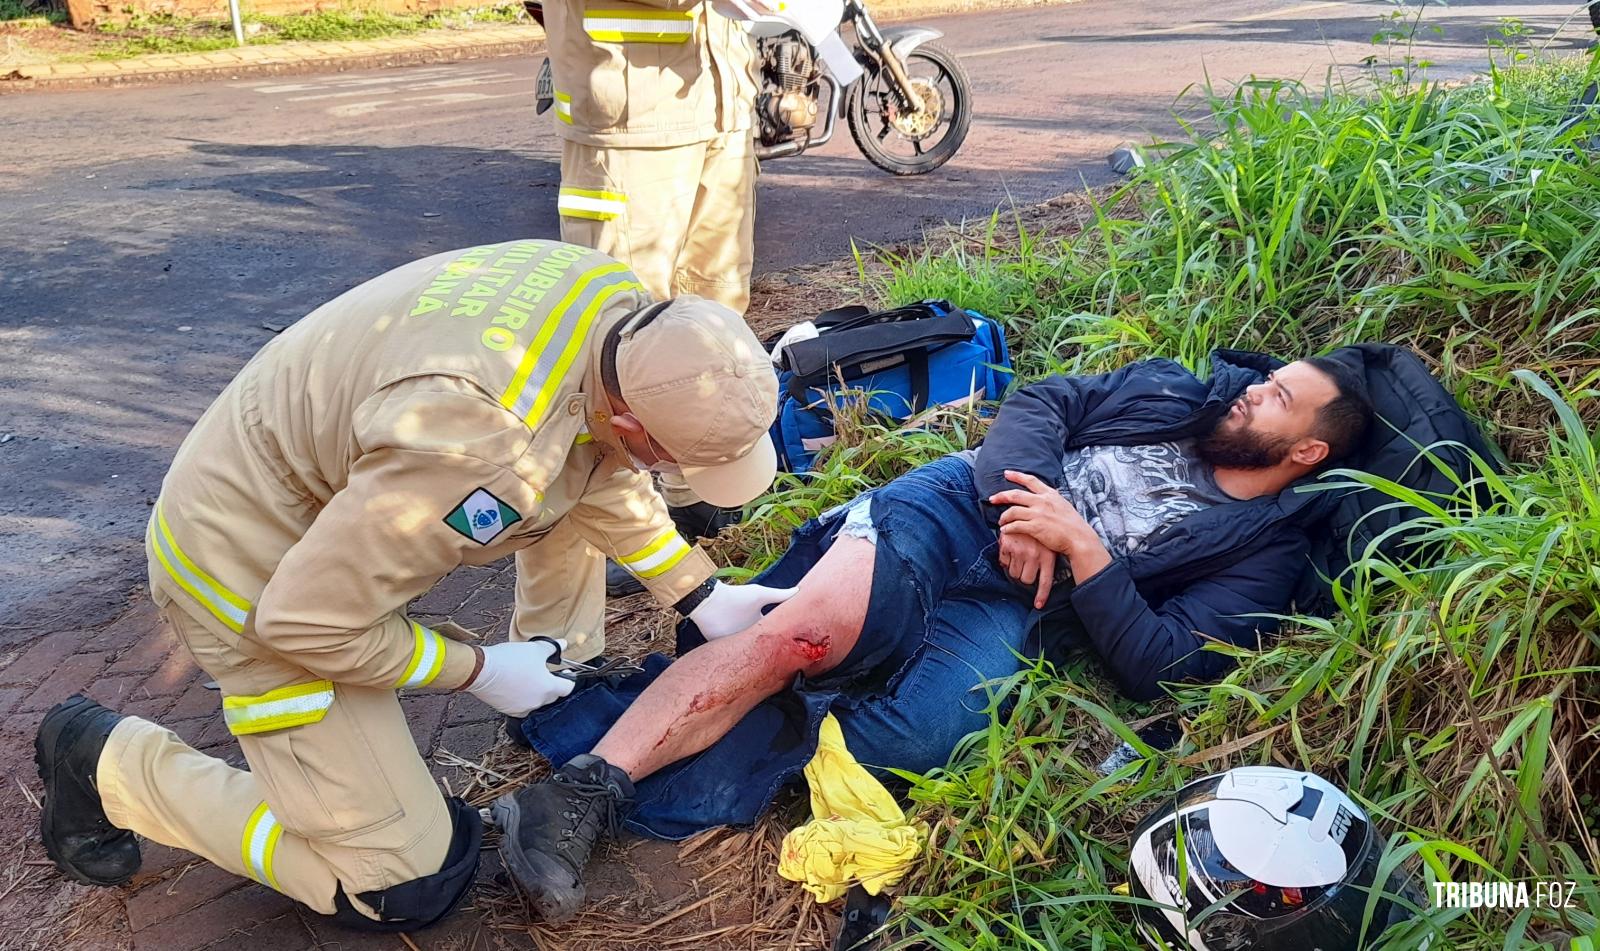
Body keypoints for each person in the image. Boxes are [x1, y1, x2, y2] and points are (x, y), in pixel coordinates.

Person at [31, 239, 796, 932]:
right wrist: (480, 669)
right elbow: (306, 623)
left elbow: (590, 457)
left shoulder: (615, 307)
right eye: (666, 459)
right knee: (404, 883)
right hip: (248, 573)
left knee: (419, 796)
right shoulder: (484, 449)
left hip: (336, 510)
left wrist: (700, 591)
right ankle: (110, 762)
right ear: (630, 418)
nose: (665, 476)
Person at [494, 349, 1376, 919]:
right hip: (959, 501)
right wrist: (1023, 503)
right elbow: (1048, 397)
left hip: (1022, 602)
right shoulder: (1182, 395)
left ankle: (619, 705)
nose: (1252, 389)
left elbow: (1163, 662)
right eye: (1268, 379)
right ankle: (585, 788)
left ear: (1305, 453)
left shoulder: (1265, 552)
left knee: (908, 739)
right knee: (811, 637)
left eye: (1278, 399)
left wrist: (1084, 547)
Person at [537, 0, 767, 596]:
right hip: (630, 112)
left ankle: (697, 495)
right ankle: (631, 527)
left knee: (715, 314)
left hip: (719, 97)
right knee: (623, 351)